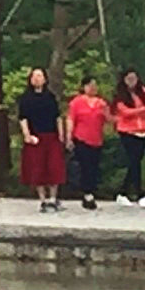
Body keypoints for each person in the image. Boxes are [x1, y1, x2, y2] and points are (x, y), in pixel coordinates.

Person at [15, 67, 65, 209]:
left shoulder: (50, 97)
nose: (37, 79)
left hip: (51, 135)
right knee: (37, 168)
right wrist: (27, 135)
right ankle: (42, 199)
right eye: (34, 76)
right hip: (36, 136)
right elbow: (23, 118)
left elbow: (57, 117)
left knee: (54, 167)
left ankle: (53, 198)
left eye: (40, 76)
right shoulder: (26, 99)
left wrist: (61, 134)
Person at [111, 68, 145, 205]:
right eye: (129, 79)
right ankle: (139, 193)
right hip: (127, 131)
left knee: (135, 162)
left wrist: (141, 112)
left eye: (134, 79)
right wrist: (139, 111)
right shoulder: (120, 95)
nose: (132, 82)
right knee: (134, 160)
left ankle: (123, 191)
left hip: (142, 131)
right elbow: (124, 112)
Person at [66, 73, 109, 209]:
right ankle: (87, 193)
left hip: (97, 138)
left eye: (94, 86)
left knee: (94, 167)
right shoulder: (76, 102)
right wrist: (69, 136)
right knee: (85, 166)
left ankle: (91, 191)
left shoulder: (101, 103)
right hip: (81, 137)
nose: (92, 88)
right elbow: (71, 119)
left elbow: (109, 119)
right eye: (90, 85)